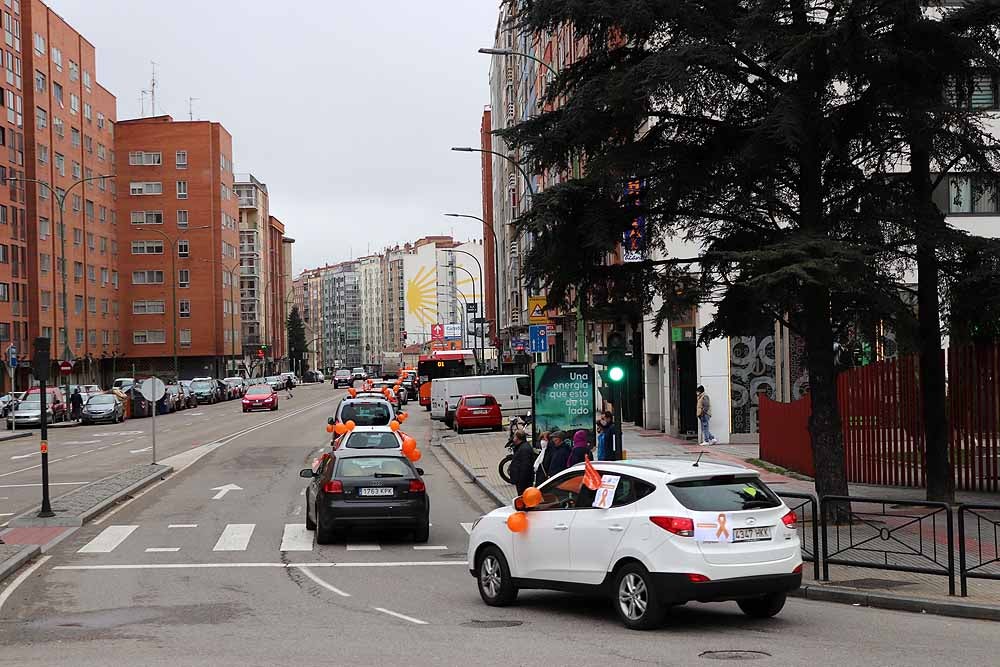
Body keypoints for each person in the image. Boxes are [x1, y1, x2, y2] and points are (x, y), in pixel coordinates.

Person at [506, 430, 535, 495]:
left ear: (517, 438)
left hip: (523, 481)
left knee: (523, 496)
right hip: (520, 480)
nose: (513, 438)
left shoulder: (524, 449)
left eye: (514, 437)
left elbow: (525, 466)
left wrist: (520, 480)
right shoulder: (520, 447)